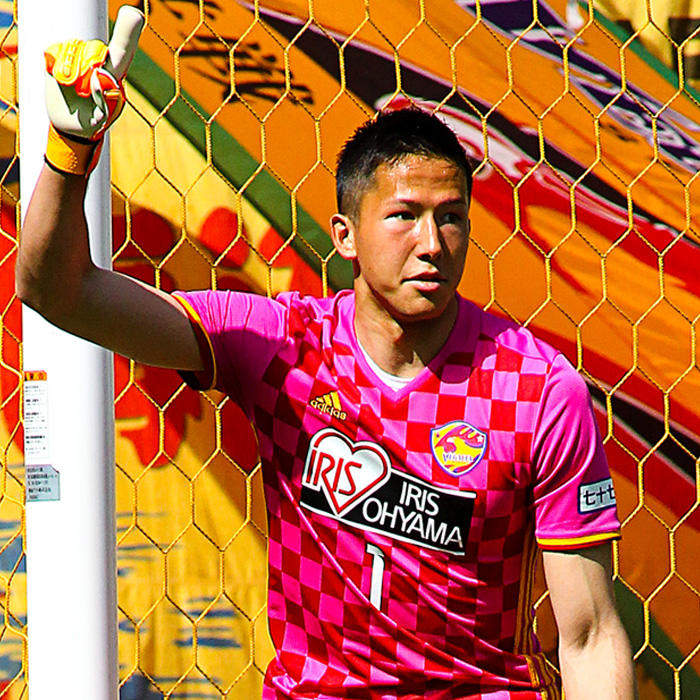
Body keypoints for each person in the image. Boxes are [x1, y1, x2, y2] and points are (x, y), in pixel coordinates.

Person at [17, 16, 637, 700]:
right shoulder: (283, 344)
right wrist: (71, 152)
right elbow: (58, 291)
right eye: (404, 216)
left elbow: (589, 634)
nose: (433, 243)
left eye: (451, 216)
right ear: (344, 234)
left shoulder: (538, 388)